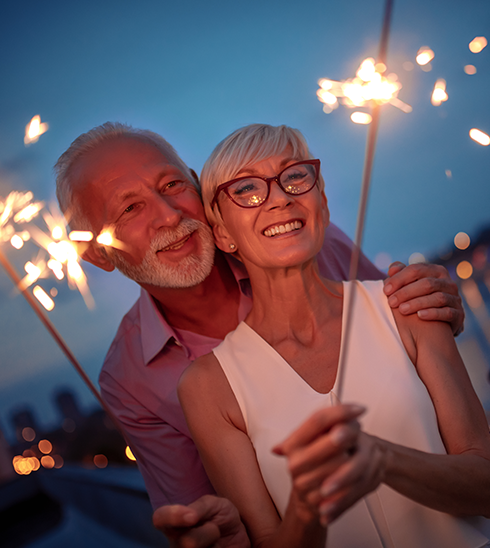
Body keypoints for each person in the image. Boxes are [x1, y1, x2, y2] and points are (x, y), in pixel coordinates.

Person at [55, 122, 466, 548]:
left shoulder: (313, 246)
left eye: (173, 184)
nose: (168, 214)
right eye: (129, 209)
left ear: (200, 189)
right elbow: (209, 517)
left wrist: (438, 310)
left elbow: (403, 332)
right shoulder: (131, 382)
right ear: (97, 253)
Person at [178, 123, 490, 547]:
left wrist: (385, 460)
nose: (280, 197)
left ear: (321, 202)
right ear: (222, 234)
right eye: (248, 189)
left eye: (294, 177)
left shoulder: (406, 308)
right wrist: (308, 513)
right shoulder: (208, 388)